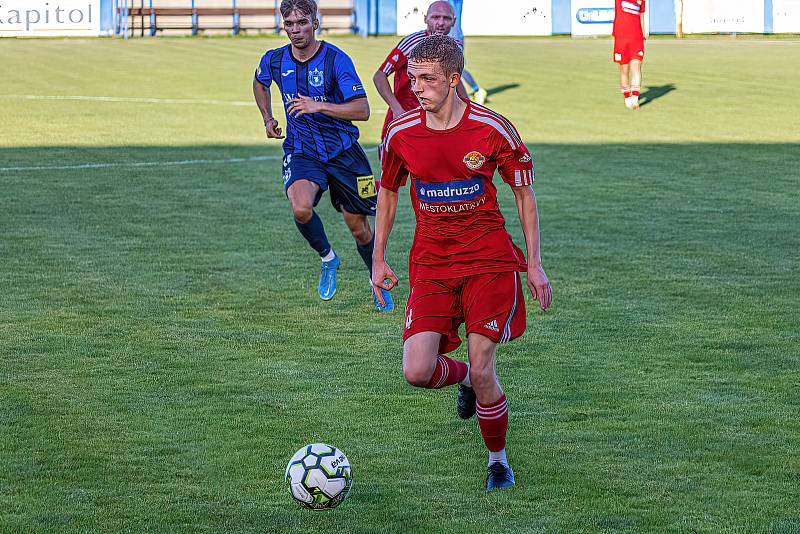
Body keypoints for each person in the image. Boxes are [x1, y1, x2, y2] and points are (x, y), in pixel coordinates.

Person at [371, 35, 552, 490]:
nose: (416, 88)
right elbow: (389, 192)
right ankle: (467, 378)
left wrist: (534, 263)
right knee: (417, 370)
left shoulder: (492, 128)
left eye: (427, 79)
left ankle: (498, 460)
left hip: (488, 259)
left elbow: (524, 193)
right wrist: (378, 258)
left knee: (484, 359)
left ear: (454, 80)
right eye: (412, 79)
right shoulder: (400, 133)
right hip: (431, 263)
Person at [253, 0, 393, 311]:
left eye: (302, 22)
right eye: (289, 23)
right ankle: (328, 258)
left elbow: (363, 110)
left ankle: (376, 278)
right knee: (301, 208)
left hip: (344, 153)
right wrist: (268, 118)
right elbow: (260, 81)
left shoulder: (335, 60)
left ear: (316, 22)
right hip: (302, 150)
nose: (295, 30)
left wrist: (319, 105)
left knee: (358, 227)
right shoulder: (275, 60)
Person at [372, 1, 467, 147]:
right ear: (425, 19)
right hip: (405, 117)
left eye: (446, 18)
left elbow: (455, 80)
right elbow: (379, 76)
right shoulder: (412, 42)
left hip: (437, 122)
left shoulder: (456, 46)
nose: (440, 23)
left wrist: (468, 107)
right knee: (395, 168)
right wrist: (397, 110)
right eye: (435, 17)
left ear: (454, 21)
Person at [448, 0, 487, 105]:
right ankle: (475, 90)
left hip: (454, 37)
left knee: (458, 67)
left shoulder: (454, 4)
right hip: (450, 36)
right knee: (453, 67)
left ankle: (477, 90)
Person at [613, 0, 646, 109]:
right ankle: (627, 98)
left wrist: (643, 34)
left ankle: (635, 98)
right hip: (621, 38)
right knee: (624, 70)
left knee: (636, 67)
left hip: (636, 38)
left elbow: (641, 16)